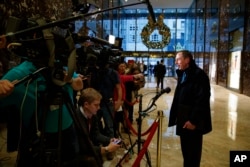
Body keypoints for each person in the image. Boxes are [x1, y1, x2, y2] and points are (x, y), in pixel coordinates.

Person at [168, 50, 212, 167]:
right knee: (186, 153)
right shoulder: (183, 74)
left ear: (187, 60)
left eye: (178, 59)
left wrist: (193, 121)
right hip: (183, 120)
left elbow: (202, 100)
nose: (176, 62)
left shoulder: (199, 75)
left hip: (192, 122)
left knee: (193, 155)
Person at [76, 88, 121, 162]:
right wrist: (107, 149)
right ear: (86, 104)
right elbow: (83, 147)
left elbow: (95, 134)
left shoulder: (92, 114)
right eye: (96, 105)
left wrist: (109, 140)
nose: (99, 108)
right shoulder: (77, 119)